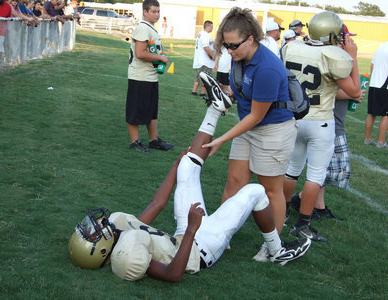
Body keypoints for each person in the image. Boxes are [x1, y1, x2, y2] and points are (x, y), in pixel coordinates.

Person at [68, 98, 312, 282]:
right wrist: (194, 228)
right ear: (100, 251)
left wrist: (176, 166)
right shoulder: (125, 257)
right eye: (93, 234)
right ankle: (277, 250)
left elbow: (156, 204)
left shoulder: (120, 230)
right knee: (255, 191)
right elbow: (172, 274)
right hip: (202, 248)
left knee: (187, 166)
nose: (97, 227)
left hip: (184, 234)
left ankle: (216, 107)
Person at [200, 7, 297, 262]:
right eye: (226, 46)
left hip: (273, 131)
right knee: (234, 183)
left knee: (271, 191)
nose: (230, 51)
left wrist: (220, 139)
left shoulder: (268, 67)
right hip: (249, 127)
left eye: (234, 46)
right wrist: (226, 93)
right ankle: (219, 234)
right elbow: (239, 87)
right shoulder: (238, 57)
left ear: (251, 38)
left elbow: (257, 116)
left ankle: (273, 247)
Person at [281, 11, 361, 242]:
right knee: (315, 175)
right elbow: (355, 91)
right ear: (332, 33)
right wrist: (353, 56)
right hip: (320, 122)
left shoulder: (291, 47)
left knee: (292, 170)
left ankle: (283, 212)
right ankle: (302, 225)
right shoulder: (334, 55)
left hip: (295, 117)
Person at [126, 0, 173, 153]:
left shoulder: (150, 28)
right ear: (145, 12)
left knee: (151, 111)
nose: (157, 14)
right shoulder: (143, 28)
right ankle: (135, 142)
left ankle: (154, 140)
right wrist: (160, 58)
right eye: (153, 11)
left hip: (150, 77)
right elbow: (140, 53)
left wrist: (159, 55)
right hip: (140, 77)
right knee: (136, 111)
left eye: (158, 12)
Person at [364, 41, 388, 148]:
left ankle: (367, 139)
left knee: (371, 113)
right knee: (386, 115)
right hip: (384, 86)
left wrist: (374, 79)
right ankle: (381, 142)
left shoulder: (381, 47)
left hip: (374, 84)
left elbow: (372, 65)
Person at [191, 20, 215, 97]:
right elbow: (206, 47)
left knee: (198, 78)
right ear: (207, 26)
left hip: (200, 60)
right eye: (211, 26)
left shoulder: (201, 34)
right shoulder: (205, 35)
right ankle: (203, 93)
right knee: (205, 78)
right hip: (205, 61)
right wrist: (212, 56)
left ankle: (194, 92)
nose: (212, 28)